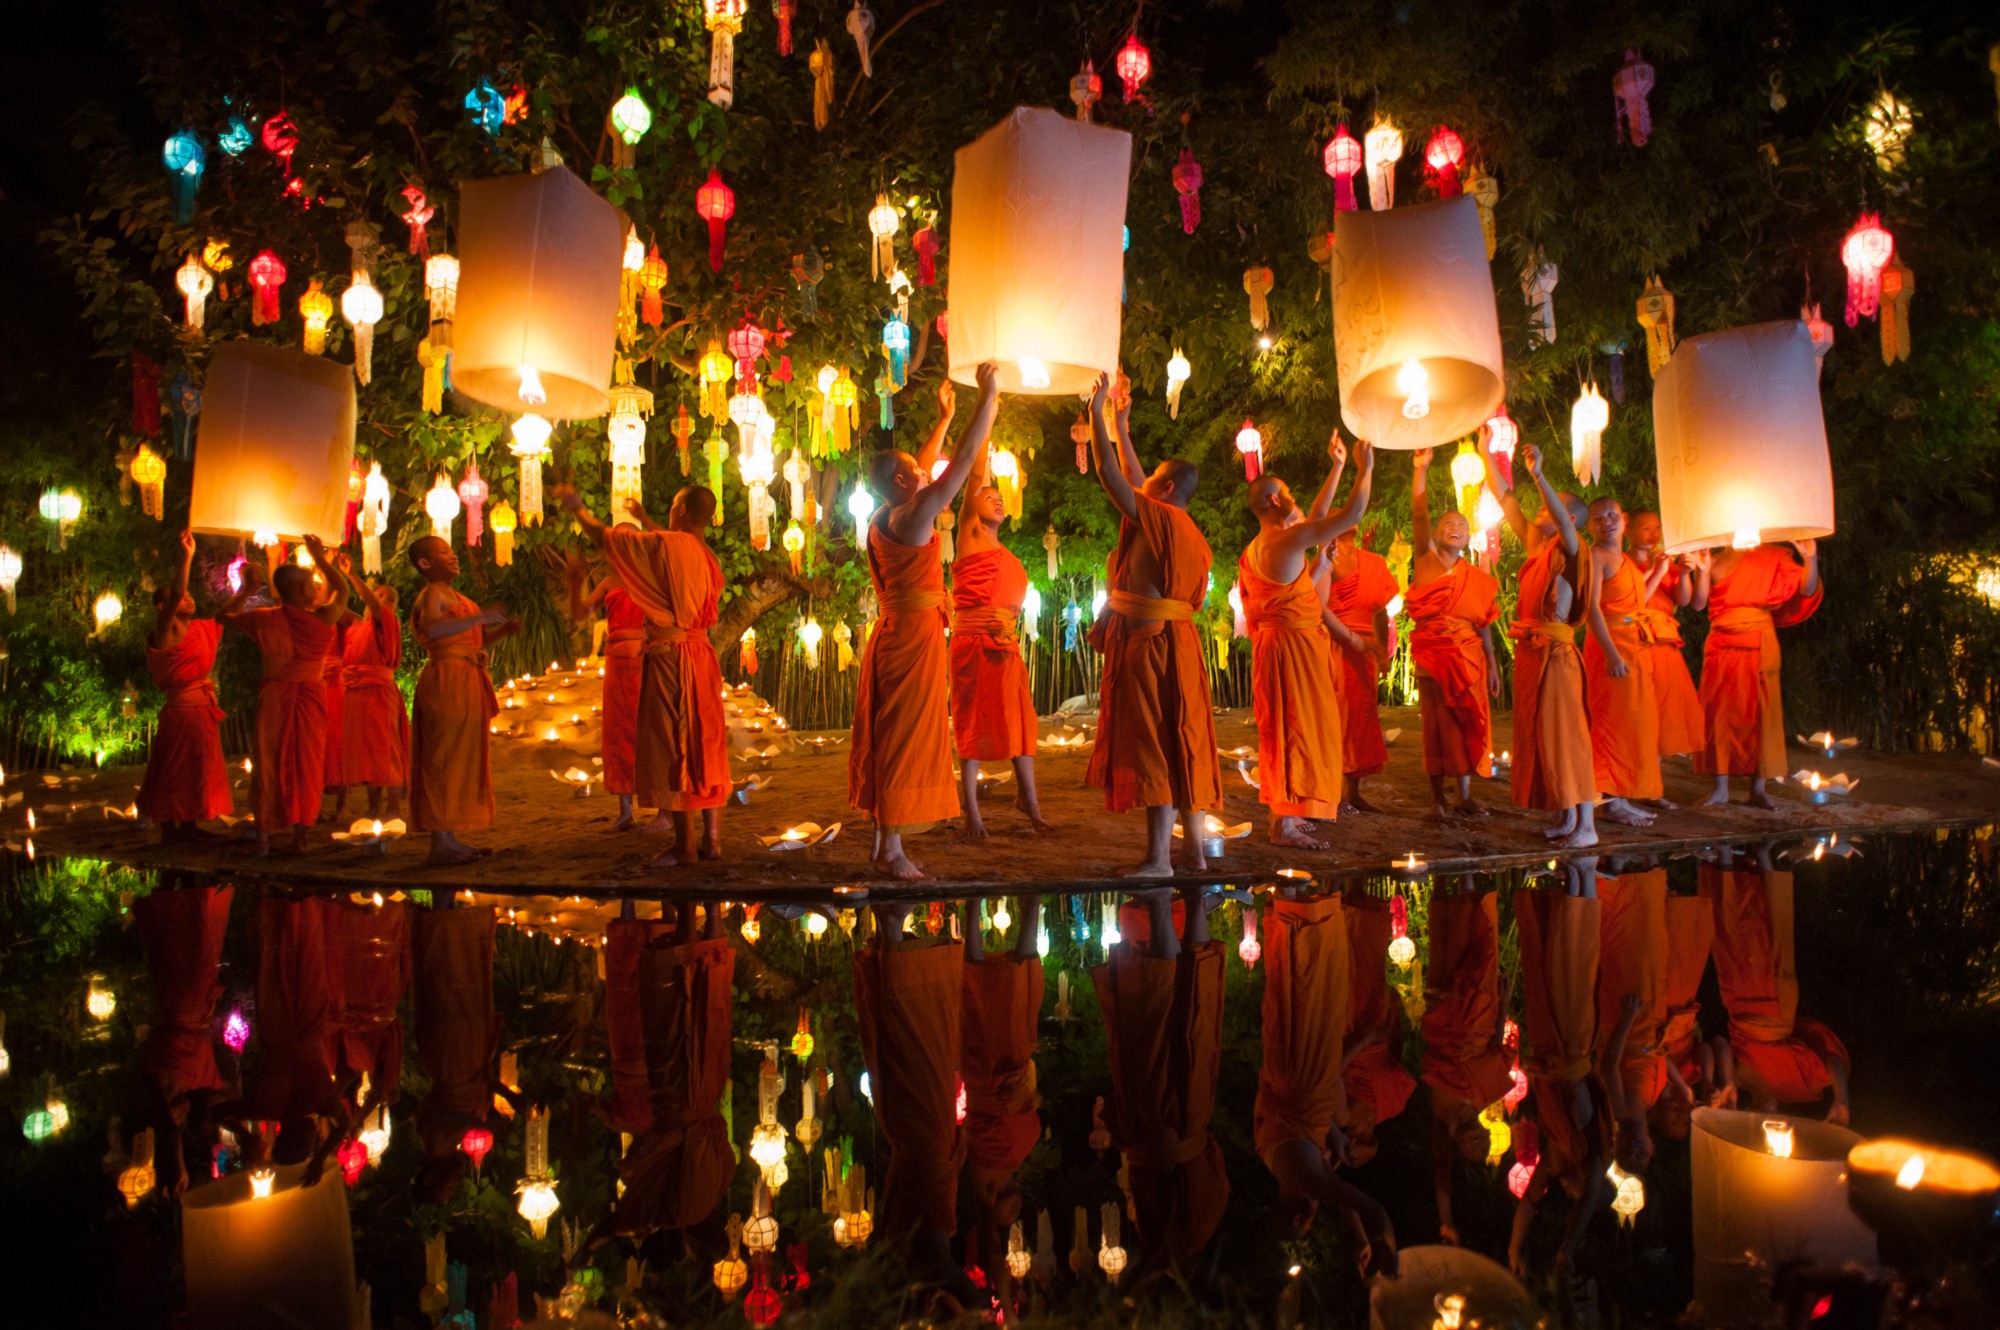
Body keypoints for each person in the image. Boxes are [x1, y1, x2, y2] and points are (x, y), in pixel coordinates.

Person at [849, 363, 1003, 879]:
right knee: (904, 736)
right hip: (911, 638)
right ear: (901, 482)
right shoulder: (912, 517)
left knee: (892, 730)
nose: (925, 472)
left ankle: (882, 844)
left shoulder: (886, 515)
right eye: (916, 472)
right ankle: (893, 850)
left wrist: (943, 418)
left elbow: (926, 466)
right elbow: (959, 464)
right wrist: (986, 396)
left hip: (898, 633)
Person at [1084, 372, 1223, 876]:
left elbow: (1110, 475)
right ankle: (1194, 853)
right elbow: (1134, 478)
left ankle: (1159, 859)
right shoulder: (1187, 529)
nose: (1141, 483)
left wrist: (1096, 412)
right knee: (1185, 739)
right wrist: (1121, 428)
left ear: (1164, 489)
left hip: (1150, 647)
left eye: (1152, 479)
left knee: (1155, 744)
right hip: (1179, 645)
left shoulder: (1158, 517)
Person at [560, 485, 731, 867]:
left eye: (671, 504)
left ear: (681, 510)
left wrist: (578, 509)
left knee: (674, 745)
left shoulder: (668, 546)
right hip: (701, 656)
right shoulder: (707, 557)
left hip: (671, 655)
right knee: (705, 742)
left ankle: (684, 846)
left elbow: (607, 538)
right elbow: (667, 547)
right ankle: (712, 839)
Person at [1254, 883, 1398, 1276]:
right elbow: (1334, 1183)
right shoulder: (1276, 1161)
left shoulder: (1305, 1177)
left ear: (1299, 1215)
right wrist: (1363, 1240)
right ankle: (1295, 903)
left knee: (1309, 992)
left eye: (1310, 1220)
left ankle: (1302, 907)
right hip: (1290, 1070)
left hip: (1305, 1070)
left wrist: (1388, 1253)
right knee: (1295, 994)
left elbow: (1369, 1207)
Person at [1240, 439, 1376, 847]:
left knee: (1293, 727)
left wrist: (1337, 467)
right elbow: (1351, 514)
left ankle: (1289, 813)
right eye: (1288, 494)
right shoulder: (1281, 542)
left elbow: (1314, 520)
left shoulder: (1265, 544)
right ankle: (1283, 824)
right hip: (1289, 649)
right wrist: (1365, 468)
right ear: (1273, 500)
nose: (1294, 500)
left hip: (1284, 645)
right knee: (1292, 729)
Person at [1092, 885, 1230, 1283]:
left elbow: (1212, 1161)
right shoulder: (1178, 1241)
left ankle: (1192, 896)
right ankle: (1159, 899)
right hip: (1160, 1120)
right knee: (1159, 1003)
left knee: (1193, 1002)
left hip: (1189, 1114)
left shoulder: (1207, 1223)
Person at [853, 901, 982, 1305]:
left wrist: (979, 1311)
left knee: (910, 1040)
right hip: (926, 1140)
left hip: (924, 1142)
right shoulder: (910, 1255)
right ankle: (888, 925)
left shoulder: (922, 1259)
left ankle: (890, 923)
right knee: (908, 1040)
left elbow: (944, 1270)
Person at [942, 383, 1055, 837]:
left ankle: (1028, 798)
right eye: (990, 497)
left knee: (1020, 719)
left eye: (1001, 498)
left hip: (1005, 645)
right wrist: (987, 408)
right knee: (972, 724)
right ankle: (970, 810)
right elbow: (974, 470)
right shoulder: (970, 537)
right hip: (973, 645)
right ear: (973, 507)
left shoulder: (1003, 550)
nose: (998, 500)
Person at [1481, 439, 1597, 847]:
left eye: (1549, 508)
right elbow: (1505, 498)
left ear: (1569, 518)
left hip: (1558, 655)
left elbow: (1563, 522)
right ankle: (1567, 816)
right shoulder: (1538, 545)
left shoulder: (1572, 547)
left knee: (1567, 735)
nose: (1540, 511)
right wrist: (1485, 451)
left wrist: (1539, 474)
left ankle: (1587, 826)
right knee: (1546, 735)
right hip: (1533, 651)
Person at [1509, 860, 1619, 1285]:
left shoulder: (1557, 1155)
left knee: (1546, 960)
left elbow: (1530, 1203)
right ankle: (1584, 875)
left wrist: (1515, 1248)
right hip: (1571, 1046)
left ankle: (1569, 879)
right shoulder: (1596, 1157)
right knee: (1573, 961)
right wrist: (1567, 1248)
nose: (1570, 1193)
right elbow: (1589, 1198)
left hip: (1547, 1049)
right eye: (1576, 1196)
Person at [609, 903, 737, 1247]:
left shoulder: (723, 1181)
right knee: (672, 1000)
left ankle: (709, 910)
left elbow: (719, 1136)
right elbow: (678, 1147)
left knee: (708, 996)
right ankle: (684, 912)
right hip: (678, 1098)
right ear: (695, 1243)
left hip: (707, 1089)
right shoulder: (681, 1213)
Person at [221, 537, 348, 855]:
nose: (317, 588)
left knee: (270, 760)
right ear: (304, 591)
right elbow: (343, 591)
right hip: (308, 696)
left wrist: (246, 591)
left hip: (276, 697)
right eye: (313, 584)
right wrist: (320, 558)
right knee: (307, 763)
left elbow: (222, 618)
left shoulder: (265, 618)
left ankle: (264, 838)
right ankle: (299, 837)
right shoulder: (321, 618)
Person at [1707, 845, 1852, 1122]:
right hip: (1778, 1011)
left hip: (1739, 1003)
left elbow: (1718, 1042)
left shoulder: (1739, 1079)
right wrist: (1841, 1099)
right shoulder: (1798, 1089)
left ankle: (1726, 856)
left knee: (1732, 932)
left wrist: (1727, 1081)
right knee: (1776, 933)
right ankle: (1763, 856)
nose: (1764, 1116)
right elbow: (1833, 1061)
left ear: (1747, 1114)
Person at [406, 535, 518, 865]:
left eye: (451, 550)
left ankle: (449, 838)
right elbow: (432, 629)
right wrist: (481, 617)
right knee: (443, 757)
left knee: (460, 757)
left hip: (465, 676)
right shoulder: (432, 593)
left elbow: (469, 640)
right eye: (444, 552)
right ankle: (440, 843)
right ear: (425, 563)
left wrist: (501, 631)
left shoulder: (455, 596)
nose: (453, 556)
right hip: (446, 680)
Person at [1689, 540, 1823, 808]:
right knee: (1719, 713)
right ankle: (1720, 788)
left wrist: (1810, 559)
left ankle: (1758, 789)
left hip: (1760, 641)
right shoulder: (1712, 560)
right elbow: (1698, 603)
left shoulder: (1772, 556)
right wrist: (1702, 571)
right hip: (1722, 643)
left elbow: (1806, 589)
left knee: (1763, 713)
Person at [1404, 450, 1500, 819]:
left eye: (1461, 523)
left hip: (1470, 658)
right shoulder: (1426, 561)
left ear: (1469, 536)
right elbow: (1418, 513)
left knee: (1465, 722)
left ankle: (1463, 796)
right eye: (1447, 522)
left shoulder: (1476, 577)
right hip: (1433, 657)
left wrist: (1492, 664)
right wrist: (1421, 470)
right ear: (1434, 533)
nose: (1455, 526)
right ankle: (1437, 799)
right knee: (1436, 727)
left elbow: (1483, 623)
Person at [1307, 436, 1400, 814]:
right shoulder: (1324, 556)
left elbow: (1380, 610)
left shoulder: (1373, 562)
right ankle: (1329, 788)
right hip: (1333, 645)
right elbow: (1318, 608)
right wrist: (1352, 640)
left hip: (1364, 651)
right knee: (1333, 716)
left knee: (1361, 717)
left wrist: (1382, 649)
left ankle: (1352, 790)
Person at [961, 895, 1044, 1306]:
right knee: (1024, 984)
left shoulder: (985, 1184)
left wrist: (1006, 1308)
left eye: (1005, 1221)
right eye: (1017, 1218)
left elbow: (993, 1254)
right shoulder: (1015, 1164)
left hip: (987, 1073)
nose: (1013, 1216)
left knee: (979, 993)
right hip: (1014, 1070)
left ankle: (972, 906)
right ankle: (1032, 906)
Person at [1422, 880, 1514, 1247]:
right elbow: (1497, 1045)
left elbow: (1441, 1177)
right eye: (1483, 1143)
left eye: (1472, 1147)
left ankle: (1442, 876)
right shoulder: (1487, 1094)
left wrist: (1446, 1222)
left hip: (1445, 1013)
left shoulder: (1442, 1120)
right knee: (1477, 944)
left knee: (1447, 939)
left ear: (1458, 1146)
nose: (1478, 1141)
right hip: (1478, 1011)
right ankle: (1470, 878)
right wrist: (1503, 1004)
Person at [137, 530, 245, 841]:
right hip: (182, 711)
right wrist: (187, 557)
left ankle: (189, 823)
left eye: (188, 595)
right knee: (175, 767)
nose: (188, 598)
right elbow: (175, 595)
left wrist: (247, 589)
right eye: (181, 597)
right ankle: (169, 827)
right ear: (162, 607)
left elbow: (225, 616)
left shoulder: (200, 628)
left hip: (201, 709)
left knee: (197, 767)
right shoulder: (166, 630)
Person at [135, 880, 234, 1195]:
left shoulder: (156, 1076)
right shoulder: (195, 1077)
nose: (181, 1110)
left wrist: (176, 1163)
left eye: (176, 1108)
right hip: (194, 1003)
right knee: (197, 942)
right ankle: (194, 890)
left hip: (184, 1001)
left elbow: (167, 1128)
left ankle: (181, 888)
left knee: (185, 946)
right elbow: (223, 1099)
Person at [410, 904, 504, 1201]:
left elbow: (451, 1119)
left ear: (429, 1179)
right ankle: (453, 919)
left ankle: (447, 919)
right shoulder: (447, 1145)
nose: (455, 1182)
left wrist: (484, 1124)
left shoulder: (435, 1145)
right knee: (463, 987)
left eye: (448, 1187)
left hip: (454, 1060)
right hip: (462, 1062)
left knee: (452, 987)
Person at [1584, 498, 1665, 825]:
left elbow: (1636, 602)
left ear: (1624, 519)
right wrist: (1611, 654)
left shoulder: (1624, 559)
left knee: (1633, 723)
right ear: (1589, 526)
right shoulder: (1595, 556)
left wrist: (1658, 572)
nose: (1606, 522)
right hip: (1611, 645)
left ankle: (1622, 796)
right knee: (1612, 722)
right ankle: (1610, 801)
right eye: (1597, 518)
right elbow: (1591, 608)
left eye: (1611, 515)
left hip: (1634, 642)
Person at [567, 555, 646, 831]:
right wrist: (575, 584)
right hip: (617, 662)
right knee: (619, 731)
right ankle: (625, 811)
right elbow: (581, 613)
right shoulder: (609, 583)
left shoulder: (649, 579)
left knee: (649, 730)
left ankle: (664, 808)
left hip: (646, 658)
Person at [1626, 512, 1706, 776]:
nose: (1654, 534)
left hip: (1663, 640)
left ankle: (1652, 780)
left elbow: (1685, 601)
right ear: (1627, 530)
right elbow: (1631, 603)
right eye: (1646, 528)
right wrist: (1657, 570)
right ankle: (1635, 780)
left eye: (1657, 527)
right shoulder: (1621, 562)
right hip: (1634, 637)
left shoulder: (1666, 563)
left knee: (1663, 710)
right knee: (1637, 710)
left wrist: (1685, 573)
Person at [1340, 893, 1419, 1163]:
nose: (1360, 1135)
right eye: (1366, 1139)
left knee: (1350, 966)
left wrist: (1365, 1040)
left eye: (1358, 1140)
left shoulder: (1342, 1116)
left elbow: (1334, 1071)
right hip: (1378, 1031)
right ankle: (1364, 902)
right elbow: (1395, 1055)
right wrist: (1394, 1017)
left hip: (1353, 1034)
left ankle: (1345, 900)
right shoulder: (1392, 1106)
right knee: (1371, 966)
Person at [334, 574, 408, 822]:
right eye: (380, 595)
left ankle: (394, 807)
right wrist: (324, 571)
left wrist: (350, 574)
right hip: (355, 693)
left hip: (379, 691)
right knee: (365, 753)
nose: (384, 600)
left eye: (391, 599)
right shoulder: (355, 626)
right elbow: (332, 606)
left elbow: (374, 606)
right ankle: (373, 807)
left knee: (385, 748)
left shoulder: (388, 622)